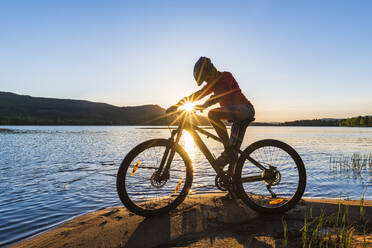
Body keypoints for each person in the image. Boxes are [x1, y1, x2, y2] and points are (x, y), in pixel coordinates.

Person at [166, 57, 255, 167]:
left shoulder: (226, 76)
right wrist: (177, 105)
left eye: (206, 78)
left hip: (246, 109)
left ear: (212, 70)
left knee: (212, 114)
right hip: (237, 118)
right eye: (205, 80)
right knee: (233, 153)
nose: (207, 82)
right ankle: (233, 178)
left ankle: (227, 151)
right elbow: (197, 95)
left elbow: (222, 92)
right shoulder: (212, 83)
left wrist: (204, 105)